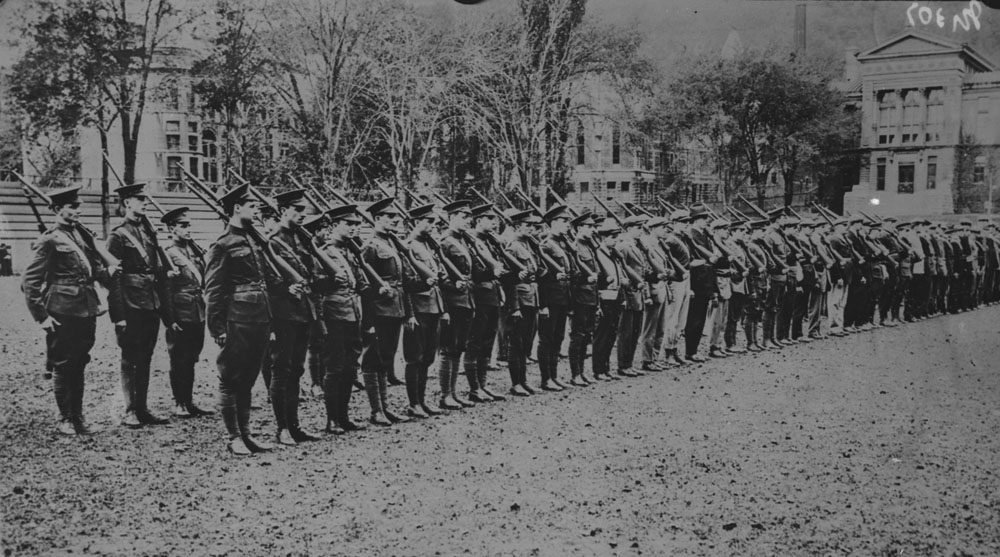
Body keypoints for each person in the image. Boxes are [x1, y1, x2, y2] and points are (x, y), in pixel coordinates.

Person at [22, 186, 117, 435]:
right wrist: (42, 317)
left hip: (86, 307)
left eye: (78, 206)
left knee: (79, 361)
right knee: (64, 364)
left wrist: (109, 272)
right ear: (57, 209)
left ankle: (78, 416)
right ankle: (65, 418)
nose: (78, 211)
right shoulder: (49, 239)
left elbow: (93, 269)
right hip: (62, 310)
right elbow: (29, 282)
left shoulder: (80, 235)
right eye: (72, 207)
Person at [204, 183, 277, 456]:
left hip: (260, 317)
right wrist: (217, 328)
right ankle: (233, 436)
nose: (257, 210)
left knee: (248, 377)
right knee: (230, 377)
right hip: (237, 319)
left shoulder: (254, 240)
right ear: (237, 208)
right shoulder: (223, 245)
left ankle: (246, 434)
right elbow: (213, 290)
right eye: (252, 206)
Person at [107, 183, 172, 428]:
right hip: (131, 303)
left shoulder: (148, 231)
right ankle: (130, 410)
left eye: (145, 199)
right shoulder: (118, 235)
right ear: (127, 203)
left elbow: (157, 270)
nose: (145, 203)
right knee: (130, 357)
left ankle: (142, 408)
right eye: (139, 199)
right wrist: (118, 315)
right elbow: (112, 277)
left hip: (151, 301)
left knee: (146, 356)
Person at [309, 205, 371, 433]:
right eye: (349, 224)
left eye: (356, 225)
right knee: (334, 367)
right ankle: (332, 419)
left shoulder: (350, 251)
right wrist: (333, 279)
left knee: (350, 366)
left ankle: (344, 417)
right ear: (335, 226)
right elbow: (316, 284)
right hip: (333, 313)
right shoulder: (323, 252)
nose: (354, 228)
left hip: (353, 313)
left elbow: (360, 282)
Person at [267, 189, 321, 446]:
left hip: (304, 311)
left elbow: (311, 272)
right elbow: (267, 279)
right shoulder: (272, 241)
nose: (302, 214)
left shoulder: (302, 238)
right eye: (297, 210)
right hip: (284, 313)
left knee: (297, 369)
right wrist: (284, 289)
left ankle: (295, 425)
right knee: (282, 369)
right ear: (283, 210)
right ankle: (282, 428)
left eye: (303, 210)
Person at [360, 197, 415, 426]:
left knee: (386, 358)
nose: (395, 220)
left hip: (395, 309)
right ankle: (376, 410)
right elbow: (364, 285)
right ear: (378, 218)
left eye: (396, 217)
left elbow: (402, 283)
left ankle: (385, 407)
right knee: (373, 359)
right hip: (379, 310)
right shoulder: (370, 246)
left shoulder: (392, 243)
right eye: (390, 217)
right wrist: (368, 321)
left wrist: (408, 312)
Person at [161, 207, 213, 418]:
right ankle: (179, 402)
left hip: (197, 310)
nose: (188, 229)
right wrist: (170, 319)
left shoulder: (194, 251)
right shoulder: (168, 253)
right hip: (180, 311)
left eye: (189, 225)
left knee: (192, 357)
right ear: (172, 229)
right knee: (179, 358)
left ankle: (189, 401)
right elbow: (165, 289)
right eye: (183, 226)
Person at [403, 203, 447, 417]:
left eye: (434, 222)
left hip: (433, 306)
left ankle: (422, 401)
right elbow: (406, 282)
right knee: (415, 357)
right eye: (428, 221)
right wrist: (409, 313)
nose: (433, 225)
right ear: (415, 222)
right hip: (419, 307)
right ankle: (414, 403)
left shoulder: (428, 245)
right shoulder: (408, 246)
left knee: (428, 356)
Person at [463, 204, 508, 402]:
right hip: (479, 297)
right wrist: (493, 273)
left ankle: (483, 385)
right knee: (475, 342)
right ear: (479, 220)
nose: (494, 222)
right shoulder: (472, 242)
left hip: (492, 296)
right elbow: (475, 272)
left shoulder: (490, 241)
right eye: (490, 219)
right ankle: (474, 388)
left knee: (487, 342)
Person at [502, 209, 542, 396]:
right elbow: (510, 281)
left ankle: (524, 381)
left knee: (526, 342)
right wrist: (514, 307)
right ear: (517, 227)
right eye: (527, 225)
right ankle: (516, 383)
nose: (531, 228)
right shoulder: (512, 247)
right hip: (520, 299)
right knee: (516, 342)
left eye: (532, 225)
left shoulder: (528, 245)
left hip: (531, 298)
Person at [537, 205, 575, 391]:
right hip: (551, 298)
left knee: (558, 337)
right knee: (547, 338)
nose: (567, 224)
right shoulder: (545, 245)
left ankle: (554, 376)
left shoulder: (562, 244)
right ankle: (546, 379)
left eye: (568, 221)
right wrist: (543, 303)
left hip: (562, 298)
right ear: (552, 223)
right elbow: (541, 276)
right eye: (563, 221)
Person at [567, 212, 599, 386]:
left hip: (591, 296)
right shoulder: (575, 246)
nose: (593, 229)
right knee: (577, 336)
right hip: (580, 297)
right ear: (579, 228)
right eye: (589, 226)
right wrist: (586, 278)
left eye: (593, 226)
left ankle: (581, 371)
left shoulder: (588, 246)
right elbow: (573, 274)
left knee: (586, 335)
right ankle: (575, 374)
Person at [591, 218, 624, 381]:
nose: (616, 240)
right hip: (604, 298)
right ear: (604, 238)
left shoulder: (613, 254)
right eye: (613, 237)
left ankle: (606, 367)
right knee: (602, 335)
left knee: (611, 334)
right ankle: (598, 369)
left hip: (615, 297)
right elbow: (598, 277)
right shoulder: (598, 254)